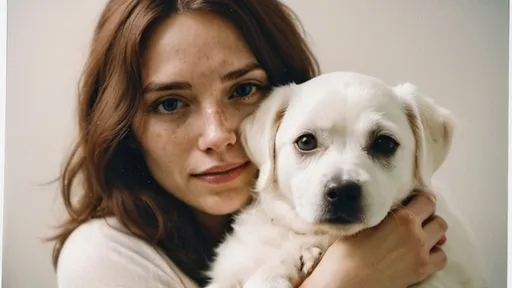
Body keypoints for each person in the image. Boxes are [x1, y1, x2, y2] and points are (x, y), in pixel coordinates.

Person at [50, 0, 449, 287]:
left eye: (244, 89)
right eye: (170, 103)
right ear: (126, 128)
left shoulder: (401, 223)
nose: (218, 134)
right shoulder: (102, 260)